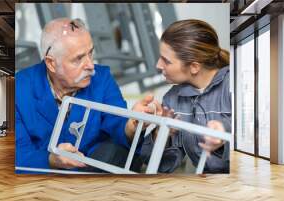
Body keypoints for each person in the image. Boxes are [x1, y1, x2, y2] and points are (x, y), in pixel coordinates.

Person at [15, 18, 161, 173]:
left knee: (115, 152)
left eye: (90, 53)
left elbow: (117, 122)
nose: (91, 66)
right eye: (78, 59)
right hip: (43, 180)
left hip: (94, 169)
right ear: (51, 63)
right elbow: (19, 153)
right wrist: (51, 159)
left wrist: (132, 125)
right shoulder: (19, 89)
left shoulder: (101, 77)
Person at [141, 19, 231, 173]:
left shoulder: (233, 84)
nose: (158, 65)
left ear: (194, 67)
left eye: (166, 61)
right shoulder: (171, 99)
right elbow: (159, 165)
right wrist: (162, 134)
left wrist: (225, 130)